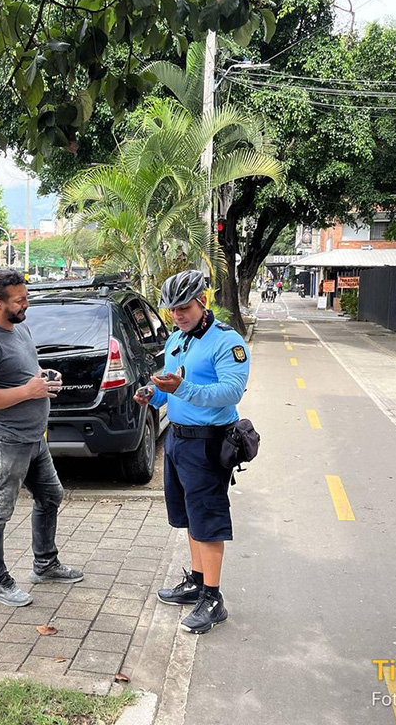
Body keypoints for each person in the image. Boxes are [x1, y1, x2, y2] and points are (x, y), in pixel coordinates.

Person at [134, 269, 250, 634]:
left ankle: (213, 600)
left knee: (208, 521)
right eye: (172, 309)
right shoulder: (176, 341)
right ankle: (198, 582)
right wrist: (154, 393)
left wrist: (181, 388)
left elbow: (230, 393)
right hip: (177, 440)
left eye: (184, 307)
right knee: (187, 516)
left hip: (208, 442)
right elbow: (171, 384)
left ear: (204, 301)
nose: (178, 314)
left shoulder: (226, 342)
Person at [0, 268, 84, 607]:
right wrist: (27, 390)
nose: (26, 305)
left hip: (33, 439)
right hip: (3, 441)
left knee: (51, 496)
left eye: (26, 298)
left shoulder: (20, 329)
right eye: (19, 301)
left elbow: (26, 373)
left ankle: (45, 564)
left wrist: (43, 378)